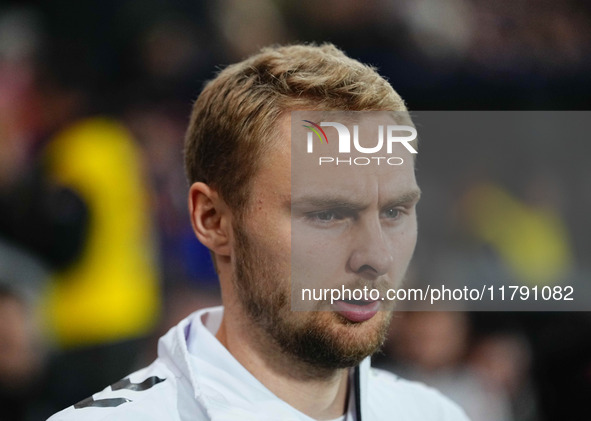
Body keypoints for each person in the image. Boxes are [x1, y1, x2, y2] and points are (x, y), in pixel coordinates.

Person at [49, 43, 469, 421]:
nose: (378, 256)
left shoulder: (436, 414)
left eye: (395, 211)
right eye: (326, 215)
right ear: (212, 219)